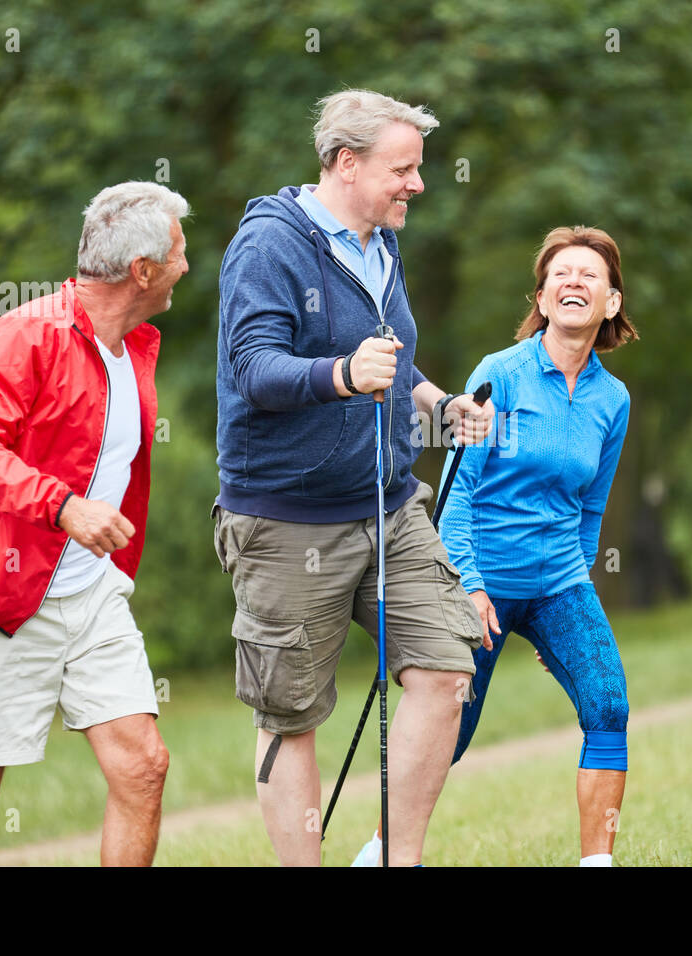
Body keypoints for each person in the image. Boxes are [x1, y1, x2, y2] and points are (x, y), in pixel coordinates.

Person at [213, 89, 493, 867]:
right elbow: (255, 369)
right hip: (286, 519)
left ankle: (396, 861)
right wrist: (340, 374)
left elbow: (390, 359)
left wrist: (439, 403)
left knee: (445, 668)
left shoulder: (380, 241)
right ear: (345, 163)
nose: (417, 185)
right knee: (291, 713)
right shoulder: (269, 246)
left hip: (391, 506)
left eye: (418, 169)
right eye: (402, 170)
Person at [0, 182, 190, 866]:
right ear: (142, 270)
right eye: (178, 252)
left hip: (89, 592)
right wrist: (62, 506)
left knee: (143, 767)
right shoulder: (26, 334)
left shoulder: (134, 346)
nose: (186, 266)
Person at [435, 225, 637, 867]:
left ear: (610, 303)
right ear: (544, 299)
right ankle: (385, 851)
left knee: (608, 703)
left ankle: (596, 863)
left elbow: (591, 507)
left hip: (560, 585)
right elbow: (455, 494)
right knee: (449, 732)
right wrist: (467, 586)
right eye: (561, 274)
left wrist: (574, 615)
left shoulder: (613, 399)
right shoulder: (501, 374)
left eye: (590, 275)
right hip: (482, 579)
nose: (574, 282)